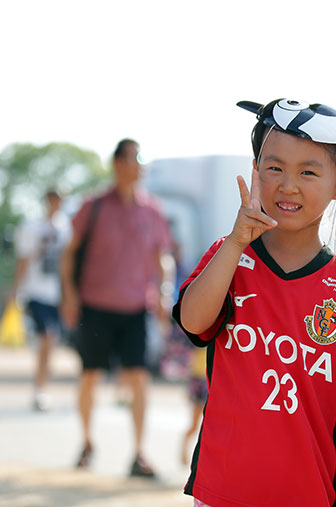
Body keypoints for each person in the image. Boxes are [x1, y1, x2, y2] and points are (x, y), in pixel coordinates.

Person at [173, 98, 336, 507]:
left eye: (308, 171)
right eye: (274, 167)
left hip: (307, 494)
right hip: (222, 490)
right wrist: (234, 243)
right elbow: (194, 322)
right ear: (255, 168)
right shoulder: (230, 256)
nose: (288, 184)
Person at [59, 139, 175, 477]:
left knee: (138, 378)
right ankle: (87, 442)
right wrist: (69, 295)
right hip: (95, 306)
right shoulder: (93, 206)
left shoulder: (152, 210)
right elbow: (69, 254)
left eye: (142, 158)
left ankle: (139, 453)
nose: (141, 165)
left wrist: (164, 291)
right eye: (135, 158)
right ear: (118, 164)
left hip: (136, 308)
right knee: (90, 376)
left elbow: (162, 257)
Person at [9, 189, 72, 411]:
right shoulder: (32, 227)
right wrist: (15, 292)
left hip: (57, 294)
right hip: (35, 292)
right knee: (47, 337)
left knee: (50, 342)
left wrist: (70, 295)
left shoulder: (67, 228)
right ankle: (40, 388)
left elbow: (69, 265)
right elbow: (23, 260)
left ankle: (42, 385)